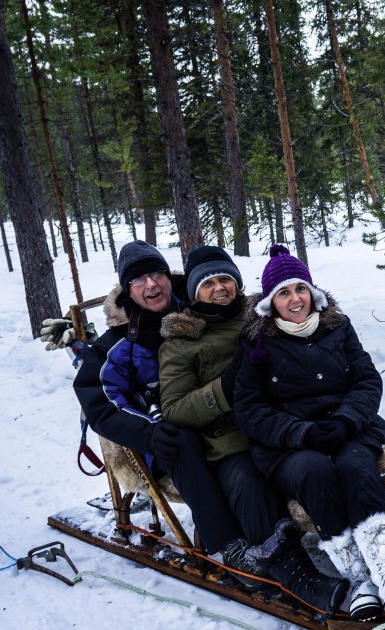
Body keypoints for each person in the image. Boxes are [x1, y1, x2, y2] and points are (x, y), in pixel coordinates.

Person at [234, 244, 385, 620]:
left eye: (300, 289)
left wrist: (347, 420)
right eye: (284, 293)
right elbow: (250, 409)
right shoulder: (257, 343)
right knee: (315, 473)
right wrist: (302, 432)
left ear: (312, 292)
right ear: (271, 302)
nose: (295, 299)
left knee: (356, 466)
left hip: (346, 426)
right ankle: (359, 580)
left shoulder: (338, 327)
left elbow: (367, 379)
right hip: (290, 444)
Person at [158, 246, 347, 614]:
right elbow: (175, 410)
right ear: (196, 291)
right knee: (248, 481)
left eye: (226, 279)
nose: (220, 288)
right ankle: (294, 573)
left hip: (284, 422)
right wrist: (224, 388)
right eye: (209, 283)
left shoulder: (259, 316)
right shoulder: (181, 342)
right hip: (230, 441)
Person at [71, 241, 256, 583]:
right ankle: (228, 545)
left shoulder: (200, 306)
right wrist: (150, 433)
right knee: (180, 437)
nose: (152, 284)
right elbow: (101, 401)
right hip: (166, 433)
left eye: (157, 273)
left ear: (170, 278)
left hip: (220, 410)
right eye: (139, 279)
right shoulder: (115, 345)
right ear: (127, 289)